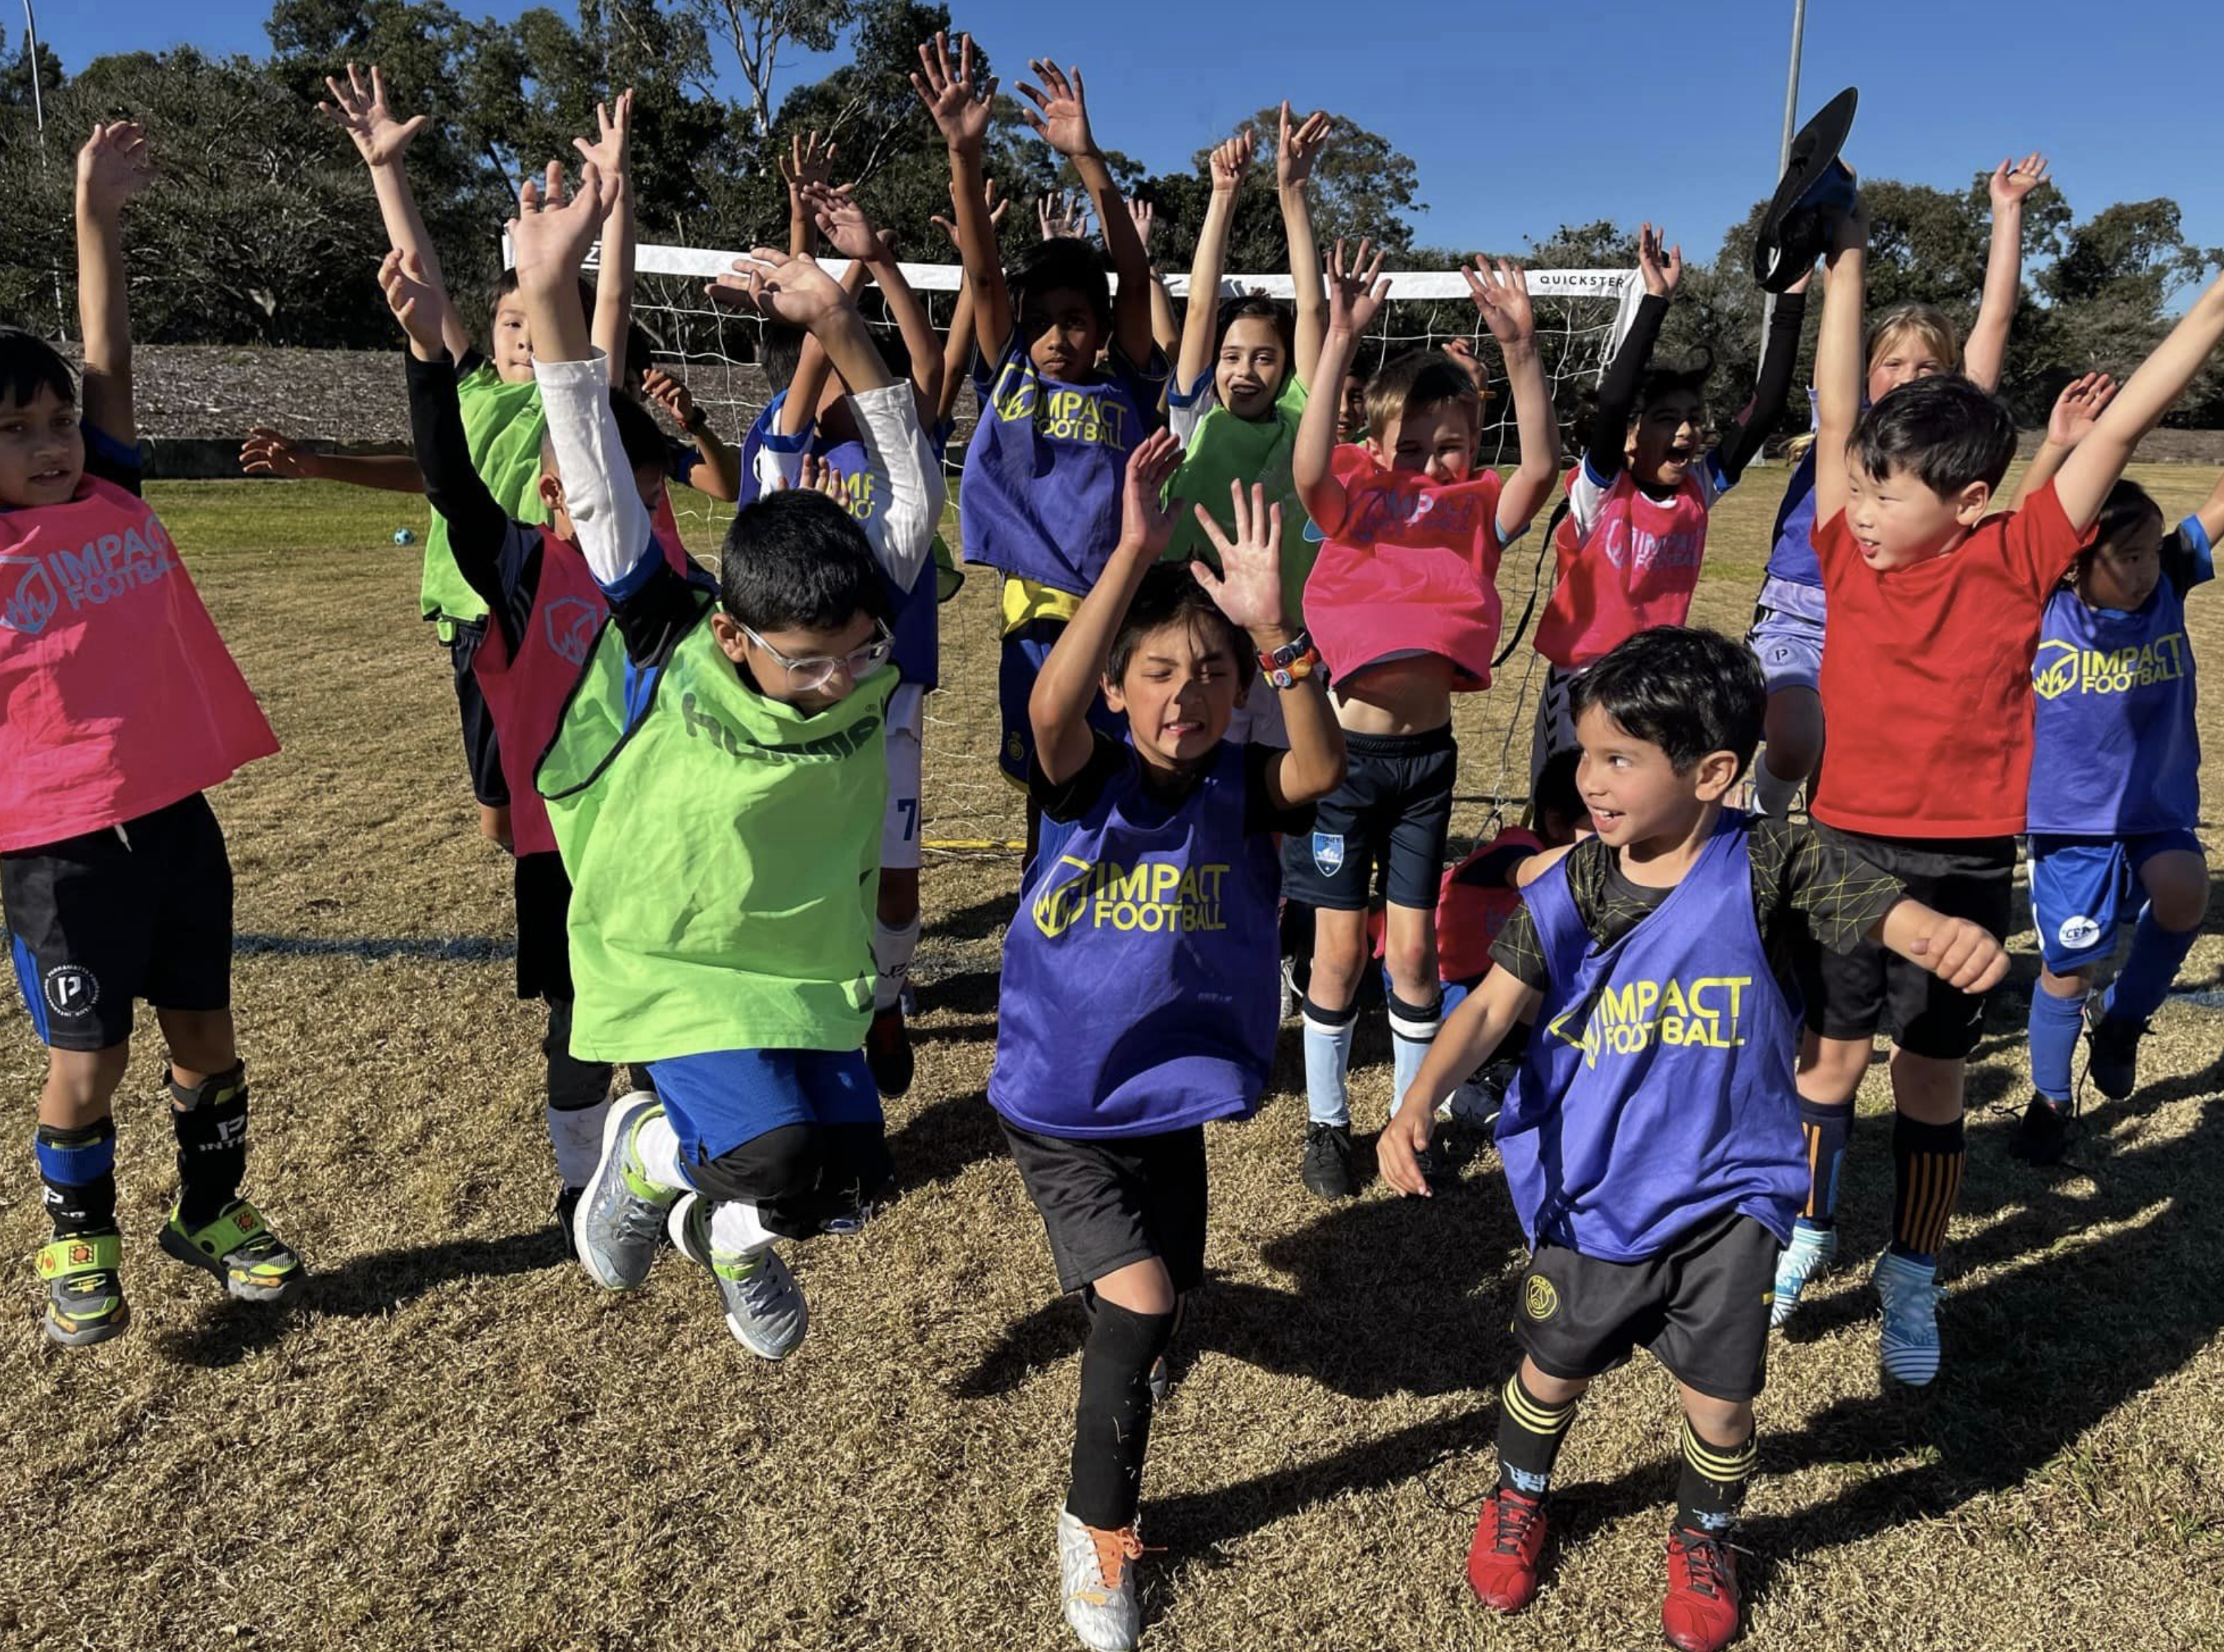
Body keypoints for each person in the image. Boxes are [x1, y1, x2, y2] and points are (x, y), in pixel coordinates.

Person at [1378, 626, 2007, 1652]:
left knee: (1719, 1405)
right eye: (1586, 754)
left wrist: (1933, 934)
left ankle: (1705, 1532)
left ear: (1714, 772)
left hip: (1731, 1198)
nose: (1592, 780)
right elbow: (1491, 1007)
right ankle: (1520, 1491)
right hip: (1596, 1193)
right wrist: (1417, 1100)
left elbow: (1868, 900)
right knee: (1550, 1374)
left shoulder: (1767, 859)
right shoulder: (1574, 885)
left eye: (1620, 758)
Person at [1773, 188, 2224, 1387]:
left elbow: (2123, 429)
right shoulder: (1840, 546)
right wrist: (1849, 252)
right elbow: (1833, 407)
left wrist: (2219, 301)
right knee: (1825, 1064)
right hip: (1841, 852)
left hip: (1964, 859)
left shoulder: (2019, 554)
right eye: (1858, 486)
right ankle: (1809, 1226)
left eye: (1889, 492)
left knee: (1927, 1077)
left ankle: (1910, 1277)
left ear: (1968, 502)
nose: (1861, 509)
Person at [510, 158, 941, 1361]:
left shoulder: (866, 628)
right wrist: (549, 290)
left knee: (846, 1188)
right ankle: (642, 1156)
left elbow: (914, 485)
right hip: (674, 955)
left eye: (856, 656)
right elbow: (593, 459)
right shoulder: (666, 626)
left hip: (802, 962)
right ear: (735, 632)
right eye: (807, 662)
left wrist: (842, 322)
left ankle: (727, 1228)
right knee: (774, 1155)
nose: (840, 680)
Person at [993, 443, 1342, 1651]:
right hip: (1060, 1096)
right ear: (1117, 690)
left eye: (1207, 671)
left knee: (1171, 1288)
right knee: (1137, 1303)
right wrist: (1136, 548)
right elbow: (1046, 706)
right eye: (1156, 672)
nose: (1184, 693)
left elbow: (1324, 763)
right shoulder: (1083, 775)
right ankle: (1096, 1533)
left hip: (1171, 1096)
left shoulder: (1244, 782)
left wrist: (1280, 631)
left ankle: (1133, 1352)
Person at [2, 124, 304, 1346]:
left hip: (175, 819)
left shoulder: (112, 488)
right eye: (15, 430)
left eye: (55, 421)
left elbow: (106, 345)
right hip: (56, 853)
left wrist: (96, 211)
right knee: (91, 1063)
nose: (50, 443)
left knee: (206, 1039)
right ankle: (78, 1236)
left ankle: (211, 1213)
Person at [381, 228, 709, 1241]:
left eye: (646, 485)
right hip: (559, 849)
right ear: (555, 488)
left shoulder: (677, 586)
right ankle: (579, 1184)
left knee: (665, 1016)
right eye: (604, 481)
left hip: (659, 846)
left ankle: (670, 1169)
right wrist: (429, 363)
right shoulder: (519, 569)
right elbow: (448, 482)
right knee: (578, 1021)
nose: (631, 501)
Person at [1285, 239, 1560, 1198]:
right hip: (1340, 763)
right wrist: (1337, 343)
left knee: (1410, 951)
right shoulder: (1356, 492)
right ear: (1378, 442)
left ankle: (1410, 1120)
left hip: (1426, 764)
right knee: (1334, 951)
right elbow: (1310, 460)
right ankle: (1326, 1122)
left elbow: (1542, 465)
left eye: (1450, 442)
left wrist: (1521, 353)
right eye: (1412, 443)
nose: (1432, 460)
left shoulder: (1478, 506)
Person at [912, 32, 1170, 868]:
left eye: (1077, 320)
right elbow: (985, 281)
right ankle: (1043, 907)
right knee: (1049, 788)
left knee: (1126, 776)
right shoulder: (1012, 376)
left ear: (1100, 330)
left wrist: (1088, 156)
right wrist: (965, 149)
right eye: (1044, 319)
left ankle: (1118, 909)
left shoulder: (1126, 384)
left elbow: (1134, 282)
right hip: (1038, 619)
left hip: (1121, 617)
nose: (1059, 335)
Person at [1746, 153, 2051, 816]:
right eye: (1892, 363)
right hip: (1802, 606)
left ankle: (1828, 850)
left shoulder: (1944, 441)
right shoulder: (1846, 425)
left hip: (1892, 618)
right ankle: (1762, 830)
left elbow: (1994, 322)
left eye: (1928, 366)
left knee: (1850, 761)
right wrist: (1845, 250)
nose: (1910, 378)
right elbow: (1843, 342)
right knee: (1796, 743)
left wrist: (2007, 212)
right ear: (1865, 371)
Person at [761, 184, 948, 1102]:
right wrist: (823, 305)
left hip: (890, 707)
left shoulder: (895, 483)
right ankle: (819, 1028)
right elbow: (791, 417)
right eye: (828, 366)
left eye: (849, 367)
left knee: (897, 890)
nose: (838, 376)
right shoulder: (786, 458)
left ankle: (886, 1001)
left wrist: (856, 292)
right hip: (798, 734)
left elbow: (913, 385)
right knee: (815, 887)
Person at [2009, 380, 2220, 1162]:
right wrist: (2060, 447)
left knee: (2184, 892)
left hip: (2155, 803)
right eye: (2124, 556)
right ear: (2074, 563)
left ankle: (2125, 1022)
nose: (2141, 569)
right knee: (2070, 964)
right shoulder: (2043, 602)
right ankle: (2050, 1101)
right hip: (2069, 818)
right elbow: (2027, 525)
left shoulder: (2168, 579)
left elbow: (2219, 507)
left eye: (2147, 551)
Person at [1529, 224, 1806, 777]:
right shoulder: (1603, 490)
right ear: (1631, 436)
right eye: (1666, 419)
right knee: (1571, 819)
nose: (1686, 430)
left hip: (1657, 682)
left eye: (1693, 419)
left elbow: (1767, 406)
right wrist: (1655, 301)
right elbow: (1611, 403)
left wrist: (1792, 298)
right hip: (1585, 681)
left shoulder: (1698, 490)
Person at [1163, 104, 1334, 733]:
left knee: (1271, 796)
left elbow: (1312, 309)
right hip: (1195, 632)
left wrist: (1294, 194)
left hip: (1277, 638)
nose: (1244, 370)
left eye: (1264, 357)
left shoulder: (1299, 414)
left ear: (1286, 367)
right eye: (1232, 356)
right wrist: (1222, 197)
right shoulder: (1197, 413)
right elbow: (1203, 303)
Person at [1426, 750, 1587, 1127]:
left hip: (1491, 987)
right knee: (1546, 990)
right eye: (1599, 822)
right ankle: (1461, 1089)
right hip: (1451, 990)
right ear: (1556, 822)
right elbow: (1530, 874)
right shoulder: (1518, 847)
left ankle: (1504, 1070)